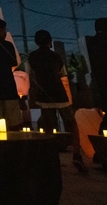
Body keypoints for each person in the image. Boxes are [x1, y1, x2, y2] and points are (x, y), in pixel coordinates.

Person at [28, 29, 87, 173]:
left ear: (36, 42)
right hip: (60, 95)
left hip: (44, 96)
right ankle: (77, 155)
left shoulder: (32, 57)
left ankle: (51, 157)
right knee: (72, 124)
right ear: (50, 42)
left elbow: (31, 76)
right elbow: (63, 75)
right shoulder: (56, 57)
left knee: (48, 127)